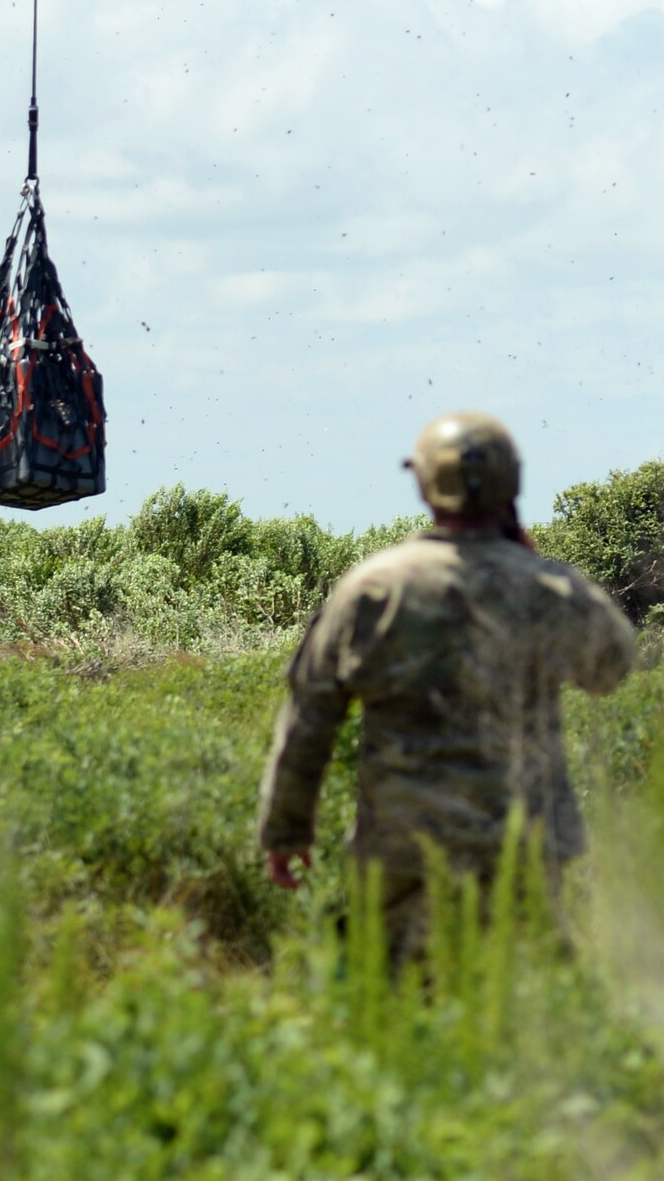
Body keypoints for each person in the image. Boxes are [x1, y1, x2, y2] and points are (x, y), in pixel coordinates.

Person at [256, 412, 635, 962]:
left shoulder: (373, 588)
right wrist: (537, 566)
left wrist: (285, 830)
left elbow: (311, 714)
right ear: (512, 484)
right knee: (522, 1006)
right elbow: (611, 669)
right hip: (524, 846)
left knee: (400, 1005)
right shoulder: (546, 587)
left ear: (426, 484)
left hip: (403, 847)